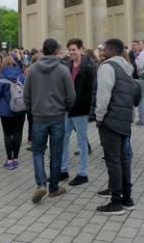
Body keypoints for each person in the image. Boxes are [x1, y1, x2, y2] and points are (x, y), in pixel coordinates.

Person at [23, 38, 75, 203]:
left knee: (38, 151)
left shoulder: (31, 70)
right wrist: (65, 108)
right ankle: (53, 188)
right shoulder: (63, 69)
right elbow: (71, 96)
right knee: (56, 152)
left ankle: (40, 184)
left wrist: (33, 110)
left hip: (38, 117)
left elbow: (26, 95)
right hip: (58, 117)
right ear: (55, 51)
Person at [95, 38, 141, 215]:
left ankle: (115, 203)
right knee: (123, 160)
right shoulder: (126, 68)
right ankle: (127, 199)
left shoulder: (107, 67)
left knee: (113, 161)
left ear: (111, 51)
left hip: (111, 120)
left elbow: (103, 96)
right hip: (124, 119)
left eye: (104, 49)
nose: (101, 53)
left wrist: (100, 117)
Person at [60, 38, 95, 186]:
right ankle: (62, 170)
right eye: (70, 50)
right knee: (63, 138)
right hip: (68, 108)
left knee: (82, 142)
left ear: (81, 49)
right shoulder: (67, 64)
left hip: (81, 109)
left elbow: (93, 90)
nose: (71, 52)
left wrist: (91, 110)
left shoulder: (89, 66)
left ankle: (83, 173)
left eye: (74, 49)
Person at [0, 56, 25, 170]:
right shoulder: (21, 76)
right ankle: (16, 159)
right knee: (18, 133)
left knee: (7, 134)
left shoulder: (2, 77)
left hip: (6, 111)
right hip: (20, 109)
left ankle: (10, 160)